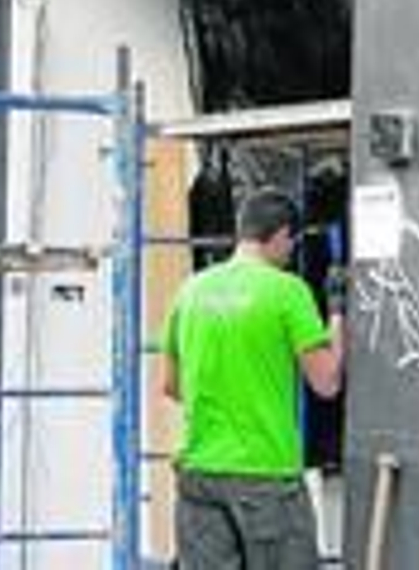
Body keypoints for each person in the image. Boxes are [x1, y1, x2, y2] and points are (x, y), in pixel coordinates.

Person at [162, 187, 345, 570]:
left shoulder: (191, 290)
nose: (291, 254)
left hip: (199, 476)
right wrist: (338, 314)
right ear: (280, 236)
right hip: (266, 478)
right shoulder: (286, 291)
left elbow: (172, 387)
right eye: (291, 245)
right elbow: (326, 382)